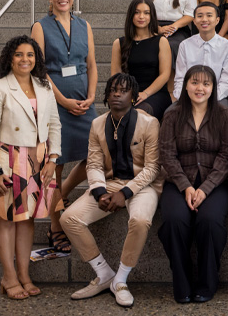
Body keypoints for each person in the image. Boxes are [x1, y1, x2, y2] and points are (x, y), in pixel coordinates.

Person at [0, 36, 60, 300]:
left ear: (37, 59)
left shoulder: (44, 87)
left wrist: (54, 158)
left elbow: (54, 124)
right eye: (19, 55)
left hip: (38, 160)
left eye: (30, 55)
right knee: (7, 220)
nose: (25, 60)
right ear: (10, 58)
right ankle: (8, 277)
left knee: (28, 219)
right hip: (7, 160)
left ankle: (24, 274)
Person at [60, 73, 161, 308]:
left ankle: (121, 280)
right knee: (69, 218)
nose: (117, 93)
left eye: (123, 90)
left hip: (142, 185)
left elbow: (153, 168)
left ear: (134, 97)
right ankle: (104, 274)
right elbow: (94, 164)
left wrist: (124, 193)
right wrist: (99, 192)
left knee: (139, 220)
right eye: (113, 89)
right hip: (109, 183)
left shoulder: (149, 123)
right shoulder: (97, 124)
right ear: (106, 95)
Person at [30, 0, 97, 254]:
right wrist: (63, 100)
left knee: (95, 156)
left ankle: (62, 196)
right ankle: (56, 227)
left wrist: (92, 96)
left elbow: (91, 64)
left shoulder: (84, 25)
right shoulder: (40, 26)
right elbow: (39, 69)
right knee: (54, 167)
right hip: (55, 105)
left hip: (84, 102)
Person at [159, 65, 228, 304]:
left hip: (215, 183)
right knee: (173, 221)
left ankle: (207, 282)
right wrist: (186, 186)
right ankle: (182, 282)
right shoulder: (172, 114)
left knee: (210, 222)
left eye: (206, 84)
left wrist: (205, 188)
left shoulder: (225, 115)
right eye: (194, 82)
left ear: (213, 88)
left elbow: (226, 156)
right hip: (179, 181)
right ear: (186, 85)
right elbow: (167, 154)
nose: (200, 88)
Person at [110, 0, 173, 122]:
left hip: (156, 94)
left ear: (152, 16)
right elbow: (116, 76)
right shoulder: (119, 43)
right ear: (131, 15)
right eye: (137, 12)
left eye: (146, 13)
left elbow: (165, 75)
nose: (141, 16)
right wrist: (126, 94)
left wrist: (145, 94)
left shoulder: (161, 41)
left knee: (139, 113)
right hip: (128, 93)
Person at [173, 2, 228, 105]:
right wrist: (187, 98)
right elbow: (180, 78)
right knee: (170, 113)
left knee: (223, 115)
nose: (204, 19)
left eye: (209, 15)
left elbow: (226, 81)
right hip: (189, 97)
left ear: (217, 20)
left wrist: (208, 99)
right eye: (199, 16)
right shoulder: (185, 45)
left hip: (217, 97)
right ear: (194, 21)